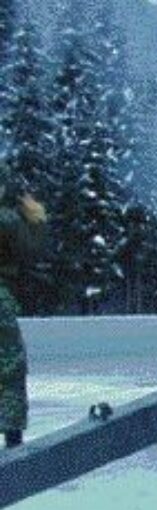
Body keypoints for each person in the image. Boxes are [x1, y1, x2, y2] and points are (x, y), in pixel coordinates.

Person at [0, 162, 47, 449]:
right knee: (10, 367)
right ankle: (13, 437)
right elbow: (31, 251)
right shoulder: (7, 220)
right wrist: (37, 220)